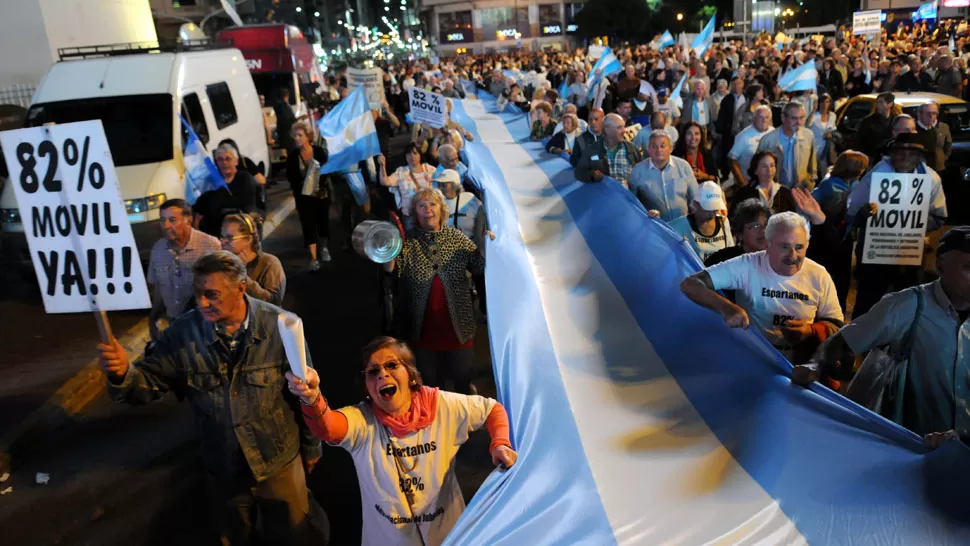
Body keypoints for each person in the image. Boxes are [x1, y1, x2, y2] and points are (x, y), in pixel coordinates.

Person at [97, 251, 328, 545]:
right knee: (231, 536)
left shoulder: (282, 327)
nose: (202, 302)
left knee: (294, 535)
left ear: (241, 289)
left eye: (212, 295)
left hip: (278, 463)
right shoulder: (183, 333)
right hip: (223, 469)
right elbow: (146, 385)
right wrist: (121, 373)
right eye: (198, 293)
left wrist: (311, 448)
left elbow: (307, 396)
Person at [285, 336, 517, 546]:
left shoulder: (442, 406)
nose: (382, 374)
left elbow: (491, 409)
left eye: (392, 365)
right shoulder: (363, 421)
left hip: (449, 536)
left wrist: (500, 443)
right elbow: (328, 428)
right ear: (366, 386)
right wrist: (311, 397)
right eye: (373, 372)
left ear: (410, 374)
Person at [792, 226, 970, 445]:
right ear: (941, 265)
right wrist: (816, 365)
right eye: (968, 267)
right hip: (909, 446)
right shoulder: (907, 306)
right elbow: (845, 339)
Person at [680, 212, 844, 364]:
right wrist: (726, 307)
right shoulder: (747, 265)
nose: (793, 255)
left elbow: (836, 325)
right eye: (785, 247)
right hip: (753, 358)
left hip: (798, 363)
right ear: (768, 244)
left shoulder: (819, 274)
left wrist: (811, 331)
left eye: (799, 247)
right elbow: (690, 284)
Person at [384, 188, 485, 393]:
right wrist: (386, 253)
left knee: (462, 384)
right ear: (415, 212)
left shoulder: (457, 239)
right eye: (422, 205)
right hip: (422, 334)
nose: (428, 209)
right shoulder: (406, 244)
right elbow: (391, 278)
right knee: (429, 389)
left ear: (441, 210)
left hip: (458, 331)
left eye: (432, 204)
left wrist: (489, 244)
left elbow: (480, 267)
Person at [846, 133, 948, 318]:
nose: (905, 157)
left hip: (909, 253)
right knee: (868, 301)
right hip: (876, 251)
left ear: (919, 156)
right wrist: (864, 213)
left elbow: (940, 216)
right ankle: (859, 342)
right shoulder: (876, 175)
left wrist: (915, 222)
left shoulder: (931, 179)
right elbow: (852, 211)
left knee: (908, 302)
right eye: (900, 152)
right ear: (892, 153)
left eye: (911, 153)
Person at [147, 199, 221, 341]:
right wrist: (153, 319)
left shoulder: (210, 246)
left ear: (188, 220)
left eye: (172, 220)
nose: (166, 225)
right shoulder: (158, 249)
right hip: (175, 325)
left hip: (206, 326)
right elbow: (159, 289)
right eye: (163, 220)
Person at [810, 151, 870, 311]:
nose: (863, 171)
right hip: (825, 238)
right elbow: (811, 205)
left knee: (843, 280)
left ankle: (839, 312)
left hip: (845, 238)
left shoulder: (858, 186)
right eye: (861, 168)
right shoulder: (829, 185)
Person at [286, 121, 332, 271]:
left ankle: (324, 248)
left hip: (321, 195)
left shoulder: (319, 151)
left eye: (300, 135)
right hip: (304, 198)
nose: (297, 139)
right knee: (308, 225)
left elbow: (327, 170)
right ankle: (313, 258)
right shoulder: (292, 157)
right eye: (295, 136)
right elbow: (291, 179)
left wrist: (319, 182)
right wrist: (303, 185)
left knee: (322, 222)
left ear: (308, 136)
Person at [629, 132, 699, 222]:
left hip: (684, 224)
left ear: (670, 148)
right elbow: (632, 204)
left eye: (662, 146)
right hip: (655, 227)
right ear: (648, 149)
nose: (658, 150)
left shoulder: (683, 166)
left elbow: (695, 197)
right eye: (654, 146)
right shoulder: (637, 171)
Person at [221, 213, 286, 306]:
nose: (222, 242)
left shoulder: (269, 263)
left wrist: (241, 275)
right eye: (222, 237)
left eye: (229, 238)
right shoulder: (222, 263)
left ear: (248, 239)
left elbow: (273, 302)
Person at [193, 143, 258, 237]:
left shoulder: (245, 179)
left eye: (228, 159)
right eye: (220, 159)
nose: (224, 163)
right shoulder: (210, 181)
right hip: (213, 232)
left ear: (236, 161)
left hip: (238, 230)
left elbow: (248, 206)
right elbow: (200, 208)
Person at [756, 102, 817, 189]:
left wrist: (810, 184)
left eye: (801, 118)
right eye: (794, 118)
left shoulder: (809, 136)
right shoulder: (768, 141)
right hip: (777, 192)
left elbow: (812, 167)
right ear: (783, 118)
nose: (799, 122)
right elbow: (758, 169)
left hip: (801, 191)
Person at [669, 181, 735, 262]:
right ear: (696, 204)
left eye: (715, 208)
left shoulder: (724, 222)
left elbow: (731, 254)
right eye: (708, 208)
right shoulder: (678, 226)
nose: (713, 213)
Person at [378, 143, 437, 231]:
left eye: (415, 153)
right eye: (408, 154)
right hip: (410, 215)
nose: (412, 156)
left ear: (420, 155)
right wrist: (382, 165)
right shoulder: (401, 172)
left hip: (429, 214)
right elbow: (385, 181)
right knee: (413, 242)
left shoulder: (429, 169)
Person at [575, 113, 643, 188]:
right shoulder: (591, 150)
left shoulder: (631, 148)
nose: (624, 131)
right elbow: (579, 173)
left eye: (623, 127)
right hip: (603, 197)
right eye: (619, 127)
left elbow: (642, 173)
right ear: (607, 130)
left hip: (628, 197)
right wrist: (592, 175)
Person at [705, 198, 771, 267]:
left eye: (767, 224)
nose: (763, 230)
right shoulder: (723, 261)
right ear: (740, 234)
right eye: (755, 226)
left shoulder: (778, 258)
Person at [434, 169, 485, 248]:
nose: (440, 188)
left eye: (444, 185)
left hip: (472, 247)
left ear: (454, 185)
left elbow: (482, 217)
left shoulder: (470, 198)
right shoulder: (438, 203)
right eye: (439, 184)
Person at [727, 105, 773, 187]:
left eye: (767, 117)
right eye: (760, 117)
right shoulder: (744, 136)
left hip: (768, 183)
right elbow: (731, 160)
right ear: (753, 119)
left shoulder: (773, 132)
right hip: (749, 182)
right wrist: (743, 183)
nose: (764, 120)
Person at [855, 92, 896, 166]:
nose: (878, 105)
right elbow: (860, 142)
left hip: (892, 160)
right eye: (877, 102)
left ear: (890, 104)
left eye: (881, 102)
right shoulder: (868, 122)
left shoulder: (897, 121)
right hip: (873, 160)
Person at [914, 101, 952, 173]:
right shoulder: (913, 130)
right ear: (919, 114)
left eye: (934, 113)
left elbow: (947, 146)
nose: (931, 116)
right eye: (928, 113)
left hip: (936, 169)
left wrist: (943, 158)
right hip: (919, 170)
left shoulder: (933, 130)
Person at [809, 93, 837, 174]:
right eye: (822, 102)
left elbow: (834, 129)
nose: (825, 104)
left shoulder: (832, 116)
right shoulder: (814, 116)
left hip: (826, 149)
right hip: (814, 148)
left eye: (827, 102)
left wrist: (831, 135)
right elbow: (807, 125)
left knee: (824, 172)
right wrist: (813, 110)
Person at [273, 87, 297, 154]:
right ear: (286, 95)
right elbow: (286, 120)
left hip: (284, 135)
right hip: (287, 135)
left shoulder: (278, 105)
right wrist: (297, 119)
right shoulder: (284, 106)